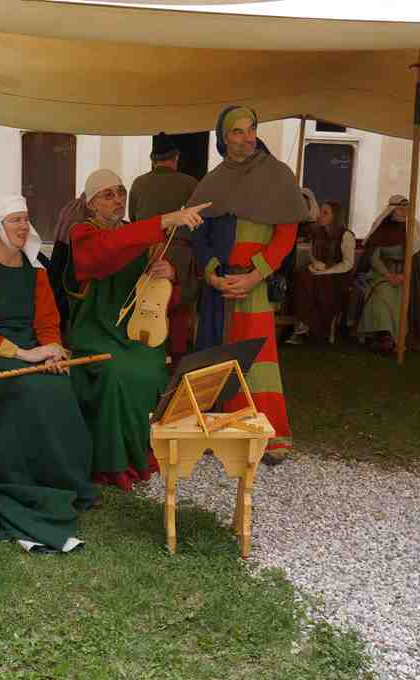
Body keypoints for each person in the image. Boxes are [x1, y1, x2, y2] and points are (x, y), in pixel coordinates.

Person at [0, 195, 98, 552]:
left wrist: (51, 350)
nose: (23, 226)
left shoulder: (36, 270)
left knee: (60, 385)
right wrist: (25, 355)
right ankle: (16, 480)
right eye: (14, 220)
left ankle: (61, 482)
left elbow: (47, 321)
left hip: (28, 348)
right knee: (30, 391)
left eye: (25, 219)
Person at [62, 169, 208, 491]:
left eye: (121, 192)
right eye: (108, 195)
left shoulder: (140, 235)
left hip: (134, 333)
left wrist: (169, 275)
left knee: (151, 369)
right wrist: (165, 220)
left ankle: (141, 453)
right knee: (117, 373)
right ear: (91, 204)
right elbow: (106, 252)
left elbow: (165, 298)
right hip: (95, 333)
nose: (118, 200)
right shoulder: (83, 234)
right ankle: (113, 463)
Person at [189, 105, 307, 461]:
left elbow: (286, 235)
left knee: (258, 361)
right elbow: (199, 233)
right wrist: (212, 273)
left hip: (254, 284)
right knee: (215, 355)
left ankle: (267, 435)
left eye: (251, 129)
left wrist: (255, 275)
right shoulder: (212, 181)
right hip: (220, 286)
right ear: (224, 138)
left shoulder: (278, 175)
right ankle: (219, 430)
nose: (247, 138)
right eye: (237, 131)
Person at [128, 132, 201, 367]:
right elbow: (200, 223)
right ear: (176, 158)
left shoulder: (139, 183)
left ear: (153, 159)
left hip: (147, 253)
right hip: (180, 255)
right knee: (178, 308)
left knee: (146, 306)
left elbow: (133, 219)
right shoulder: (191, 183)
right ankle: (176, 360)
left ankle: (146, 356)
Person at [354, 195, 420, 353]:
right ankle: (384, 335)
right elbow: (374, 258)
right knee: (383, 293)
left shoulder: (413, 230)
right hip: (382, 274)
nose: (404, 212)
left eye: (407, 208)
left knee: (403, 295)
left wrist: (404, 275)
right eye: (400, 208)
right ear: (391, 210)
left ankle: (397, 337)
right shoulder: (381, 230)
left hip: (407, 277)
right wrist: (389, 275)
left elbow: (416, 261)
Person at [287, 201, 355, 344]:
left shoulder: (346, 235)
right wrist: (315, 263)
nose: (320, 216)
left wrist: (327, 271)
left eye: (325, 213)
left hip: (338, 275)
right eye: (321, 212)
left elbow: (348, 263)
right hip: (320, 271)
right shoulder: (317, 232)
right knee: (302, 275)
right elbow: (312, 253)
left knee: (315, 281)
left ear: (335, 216)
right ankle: (302, 325)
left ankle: (313, 327)